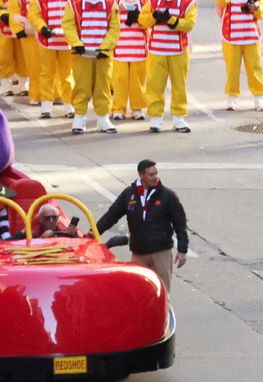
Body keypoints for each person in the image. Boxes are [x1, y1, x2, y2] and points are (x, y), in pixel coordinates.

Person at [96, 159, 189, 292]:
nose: (155, 177)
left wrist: (182, 250)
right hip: (139, 253)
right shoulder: (129, 194)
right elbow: (111, 215)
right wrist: (94, 232)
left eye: (156, 173)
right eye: (151, 174)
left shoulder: (167, 195)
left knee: (162, 292)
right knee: (137, 292)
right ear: (141, 175)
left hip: (161, 252)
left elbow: (180, 223)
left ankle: (163, 313)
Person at [62, 0, 120, 134]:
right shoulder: (73, 4)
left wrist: (106, 47)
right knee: (82, 86)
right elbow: (68, 25)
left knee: (103, 86)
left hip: (102, 54)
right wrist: (76, 43)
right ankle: (79, 117)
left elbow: (115, 28)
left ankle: (103, 118)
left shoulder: (111, 4)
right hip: (82, 54)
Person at [140, 0, 196, 132]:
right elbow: (143, 20)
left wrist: (171, 20)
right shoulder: (152, 2)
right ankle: (156, 117)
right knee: (155, 85)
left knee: (179, 84)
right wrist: (154, 17)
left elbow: (189, 24)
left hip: (179, 50)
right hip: (157, 50)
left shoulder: (187, 3)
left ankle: (179, 118)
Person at [27, 0, 74, 118]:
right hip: (46, 41)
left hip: (67, 41)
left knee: (67, 74)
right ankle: (46, 107)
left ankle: (70, 106)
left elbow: (77, 13)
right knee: (46, 73)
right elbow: (33, 15)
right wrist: (42, 27)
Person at [218, 0, 263, 111]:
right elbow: (221, 3)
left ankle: (259, 97)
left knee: (254, 68)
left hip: (251, 35)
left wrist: (256, 7)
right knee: (232, 68)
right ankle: (232, 96)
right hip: (231, 35)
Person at [109, 0, 147, 119]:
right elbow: (107, 20)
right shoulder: (115, 3)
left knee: (137, 81)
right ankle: (118, 108)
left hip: (139, 49)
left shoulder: (144, 2)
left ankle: (137, 108)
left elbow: (151, 22)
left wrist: (139, 19)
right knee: (119, 80)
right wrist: (117, 11)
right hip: (120, 49)